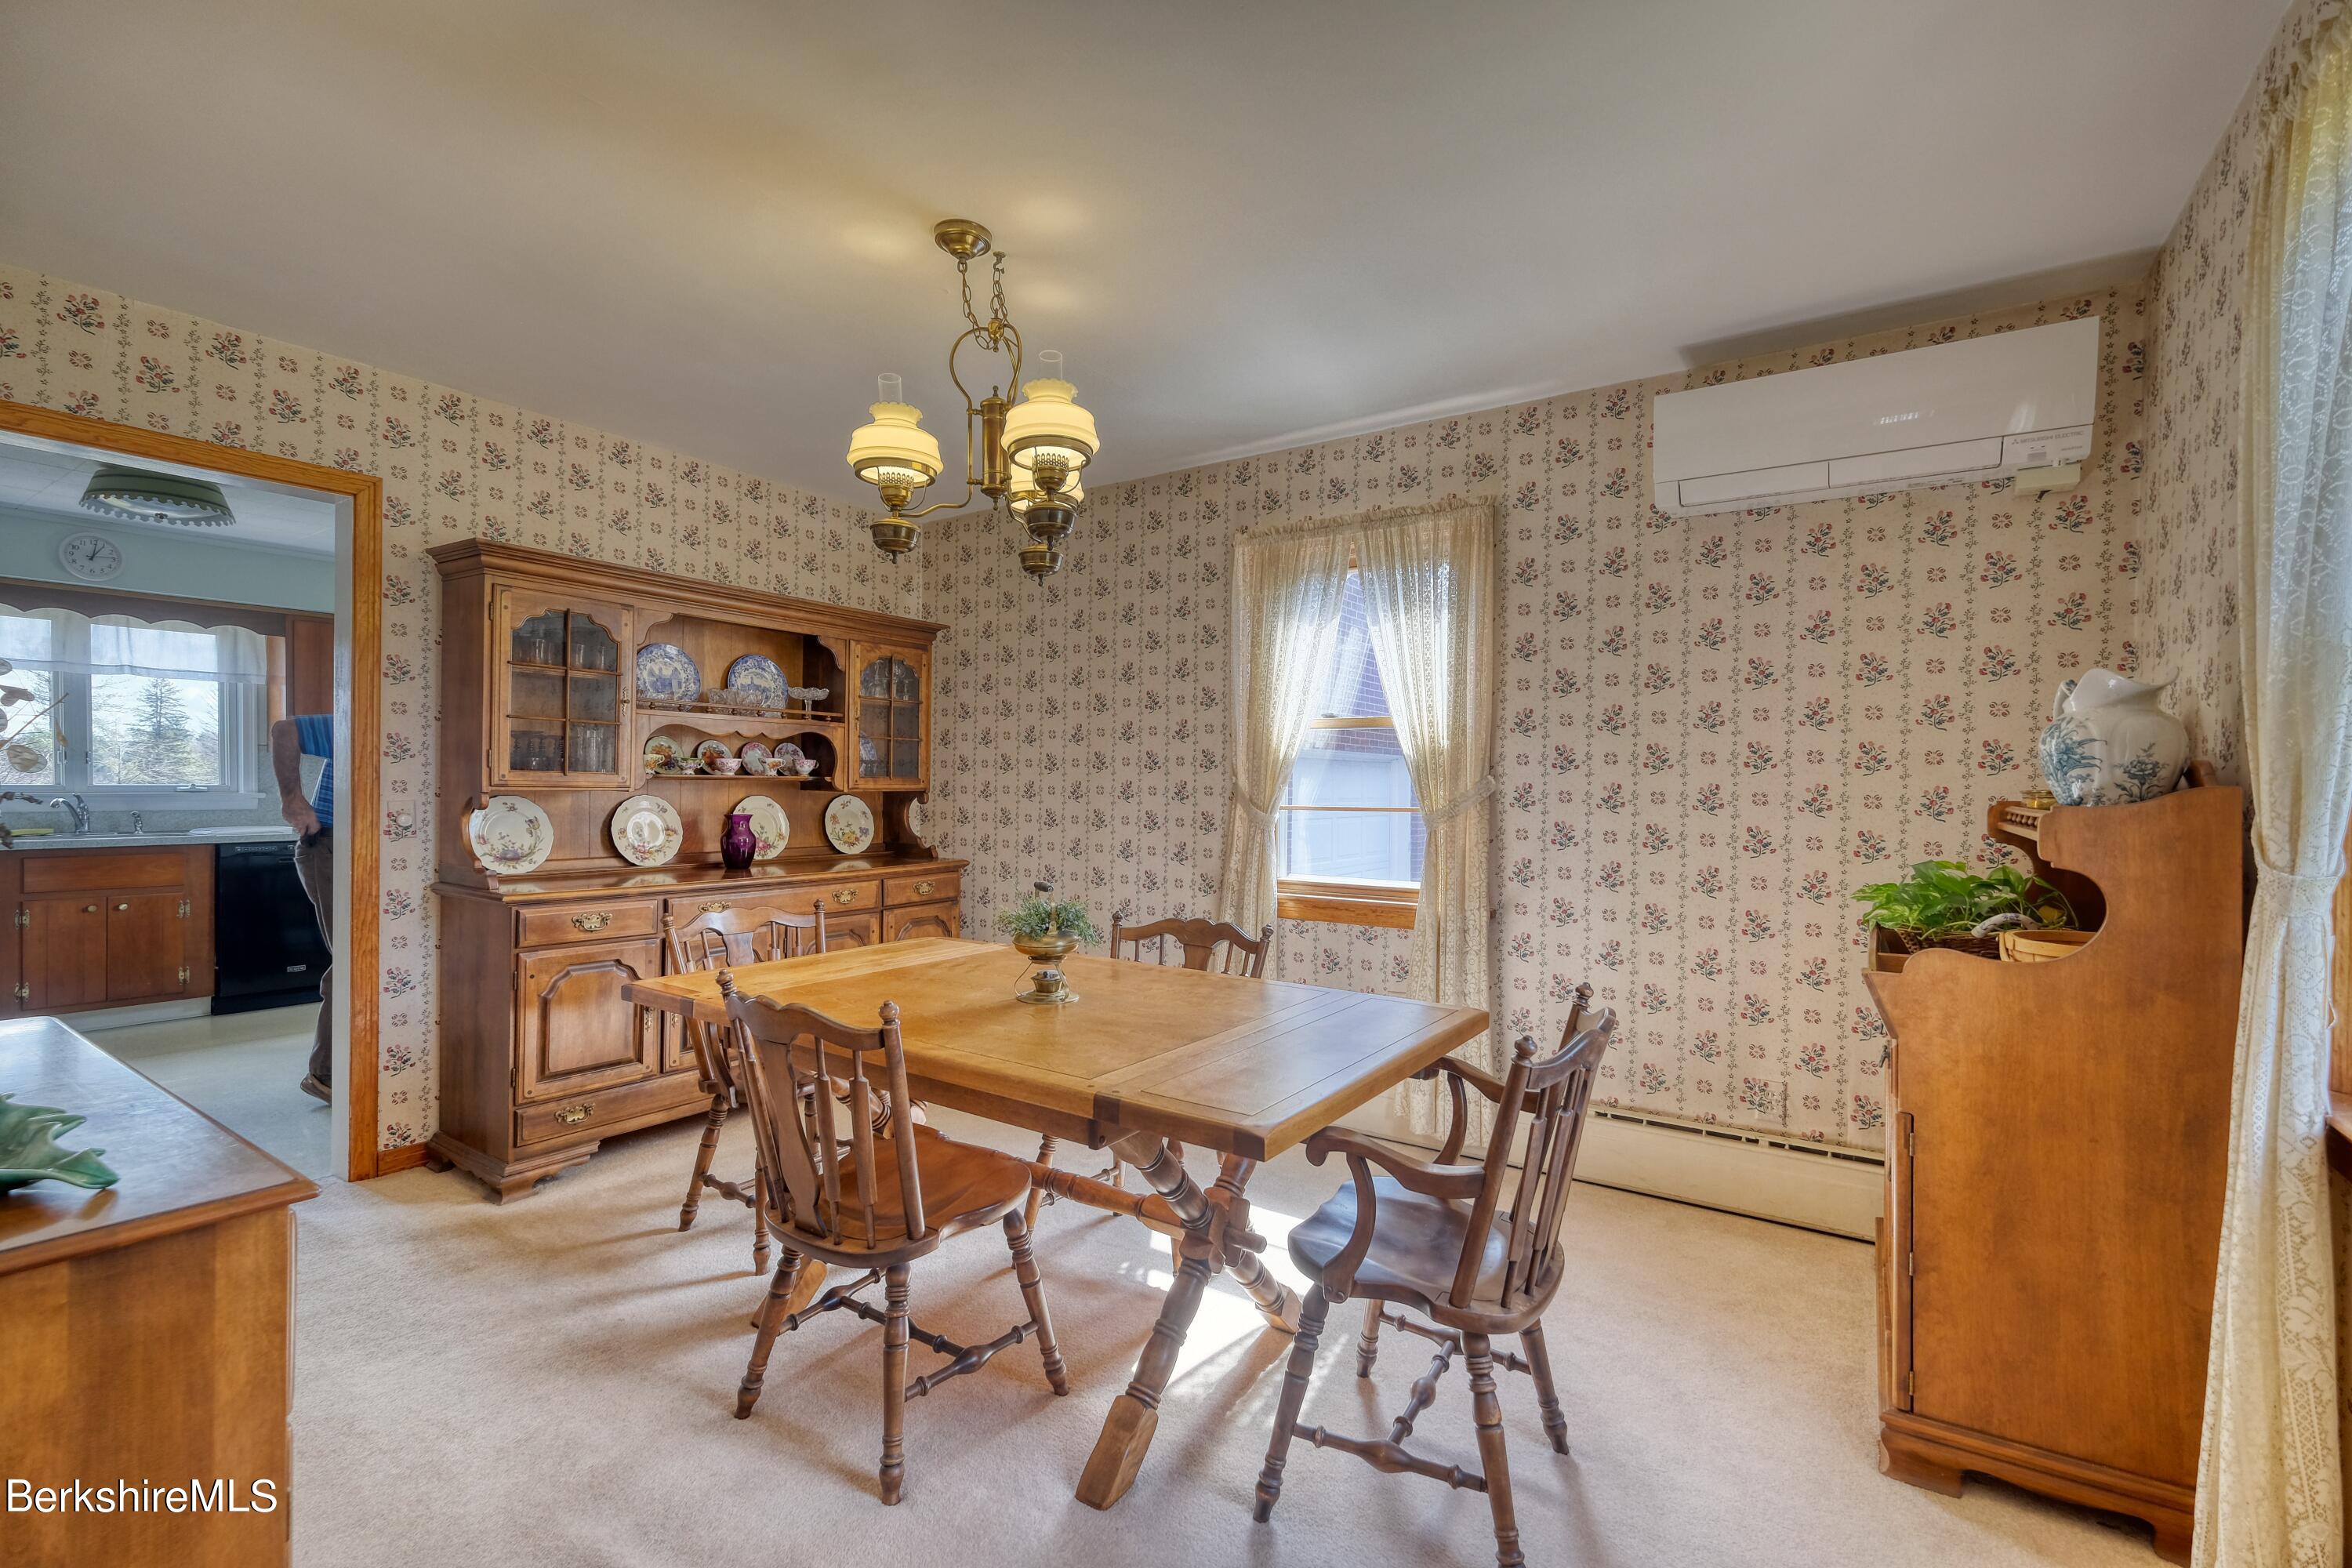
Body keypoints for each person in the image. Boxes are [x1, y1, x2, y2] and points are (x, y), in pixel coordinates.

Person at [270, 714, 336, 1103]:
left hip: (371, 847)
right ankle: (326, 1075)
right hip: (330, 844)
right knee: (354, 960)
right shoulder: (363, 715)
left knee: (366, 959)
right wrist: (293, 800)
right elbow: (285, 731)